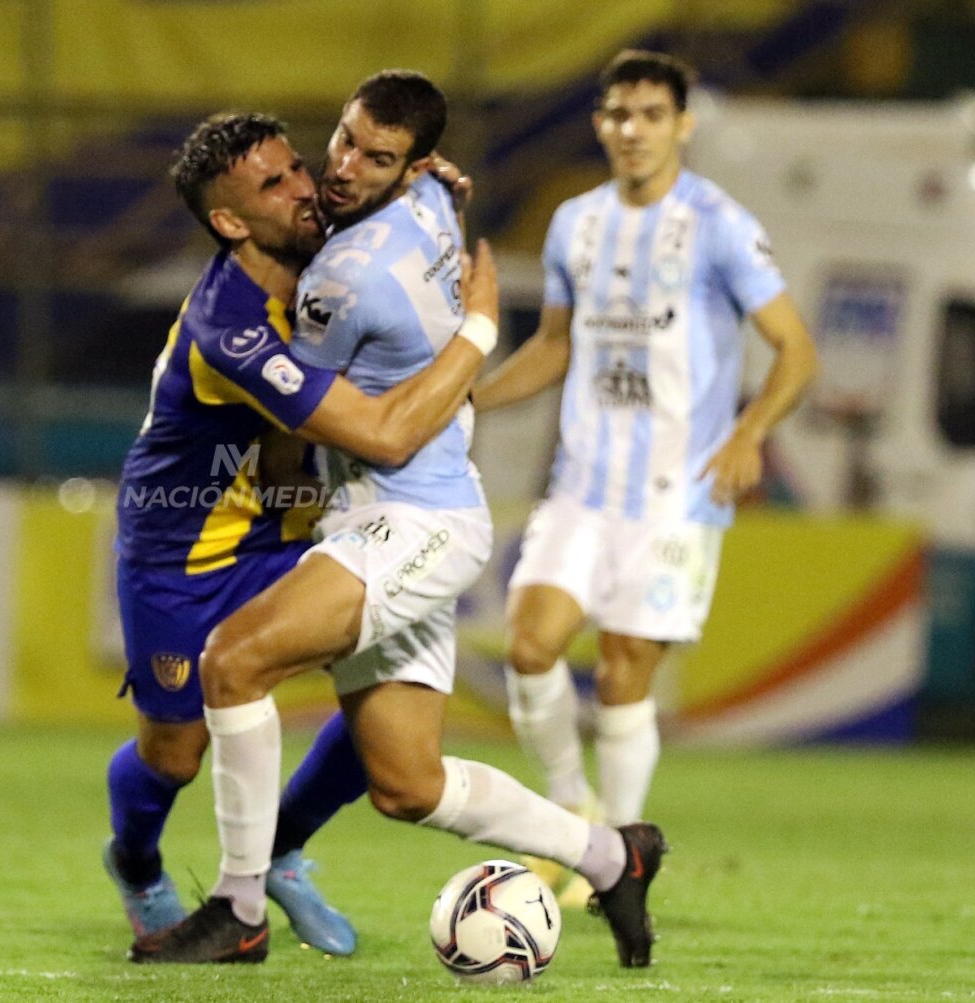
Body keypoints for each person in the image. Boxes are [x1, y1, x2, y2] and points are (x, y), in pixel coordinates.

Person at [130, 69, 667, 971]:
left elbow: (380, 435)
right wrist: (424, 184)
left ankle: (240, 905)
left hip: (410, 519)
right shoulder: (425, 201)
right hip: (404, 513)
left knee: (233, 662)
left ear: (409, 159)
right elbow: (393, 212)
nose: (328, 174)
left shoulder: (338, 281)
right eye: (335, 143)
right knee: (407, 784)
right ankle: (615, 854)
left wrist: (482, 331)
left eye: (368, 156)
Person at [106, 110, 497, 957]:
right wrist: (482, 329)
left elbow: (404, 211)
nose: (303, 188)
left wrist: (429, 185)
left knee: (380, 707)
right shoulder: (230, 326)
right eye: (272, 185)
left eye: (296, 167)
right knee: (174, 754)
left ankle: (274, 852)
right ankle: (136, 863)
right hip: (185, 547)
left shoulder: (330, 251)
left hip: (291, 522)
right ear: (230, 222)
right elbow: (386, 434)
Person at [471, 50, 818, 903]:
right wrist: (466, 399)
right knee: (529, 643)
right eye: (618, 114)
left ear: (683, 125)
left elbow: (796, 351)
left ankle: (619, 854)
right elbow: (554, 346)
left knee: (627, 668)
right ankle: (569, 815)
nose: (632, 131)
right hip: (582, 484)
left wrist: (749, 433)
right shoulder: (574, 224)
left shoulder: (719, 225)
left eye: (651, 115)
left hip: (678, 495)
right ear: (600, 124)